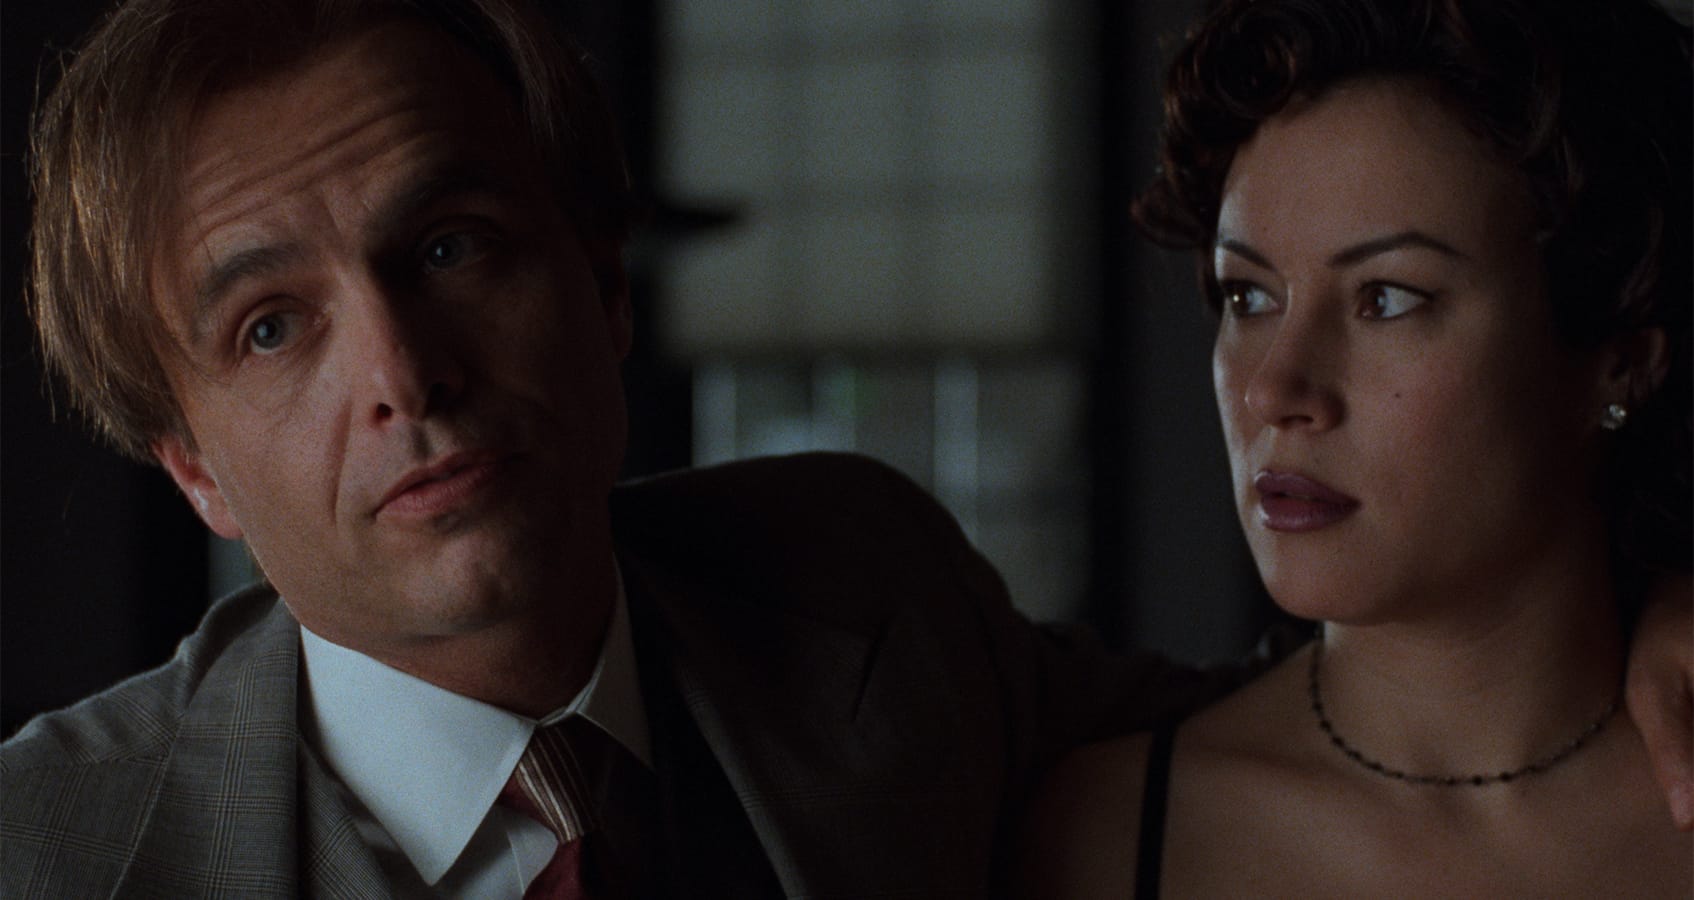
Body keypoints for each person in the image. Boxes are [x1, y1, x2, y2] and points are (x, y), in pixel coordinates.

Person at [0, 0, 1688, 897]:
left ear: (604, 287)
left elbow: (1369, 705)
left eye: (447, 248)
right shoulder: (50, 852)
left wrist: (1664, 581)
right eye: (270, 327)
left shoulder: (858, 597)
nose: (401, 374)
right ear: (191, 466)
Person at [1017, 0, 1693, 896]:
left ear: (1620, 362)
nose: (1273, 390)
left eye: (1387, 299)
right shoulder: (1105, 836)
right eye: (1249, 296)